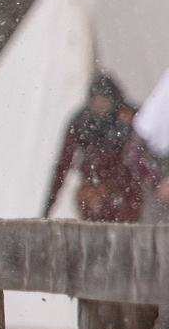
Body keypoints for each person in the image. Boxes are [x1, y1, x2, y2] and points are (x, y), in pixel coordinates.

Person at [44, 73, 161, 222]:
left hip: (126, 190)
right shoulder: (81, 122)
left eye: (104, 101)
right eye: (96, 101)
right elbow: (63, 163)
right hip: (94, 188)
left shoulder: (129, 117)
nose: (100, 107)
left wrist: (156, 183)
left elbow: (143, 155)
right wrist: (49, 203)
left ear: (113, 100)